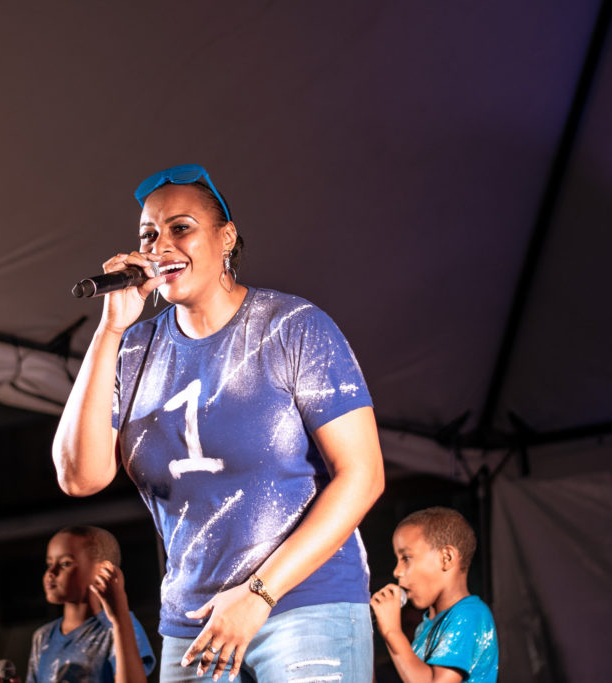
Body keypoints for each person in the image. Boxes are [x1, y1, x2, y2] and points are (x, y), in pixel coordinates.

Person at [52, 163, 385, 682]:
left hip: (304, 604)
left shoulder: (292, 327)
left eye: (181, 228)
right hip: (192, 624)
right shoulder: (133, 350)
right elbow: (80, 477)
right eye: (148, 234)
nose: (161, 245)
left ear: (226, 237)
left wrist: (258, 594)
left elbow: (363, 475)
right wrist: (111, 329)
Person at [370, 507, 498, 683]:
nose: (396, 571)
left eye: (406, 558)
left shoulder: (470, 614)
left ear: (446, 558)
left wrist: (392, 632)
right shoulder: (425, 626)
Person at [17, 525, 156, 683]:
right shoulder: (43, 637)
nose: (51, 573)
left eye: (65, 564)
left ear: (103, 569)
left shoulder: (119, 626)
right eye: (49, 564)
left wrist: (120, 618)